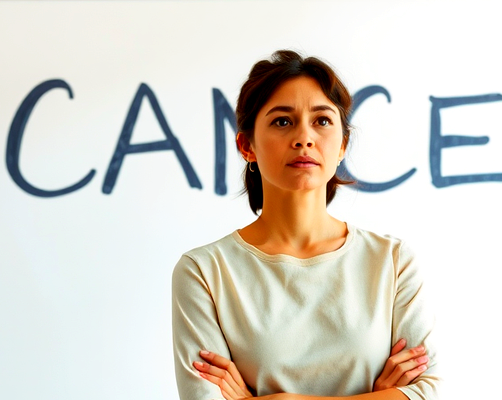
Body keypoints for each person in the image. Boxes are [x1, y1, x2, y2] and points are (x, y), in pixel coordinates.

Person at [172, 50, 439, 400]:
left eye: (322, 121)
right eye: (282, 121)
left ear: (342, 144)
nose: (304, 138)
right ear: (246, 145)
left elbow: (431, 391)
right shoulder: (204, 272)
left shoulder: (393, 261)